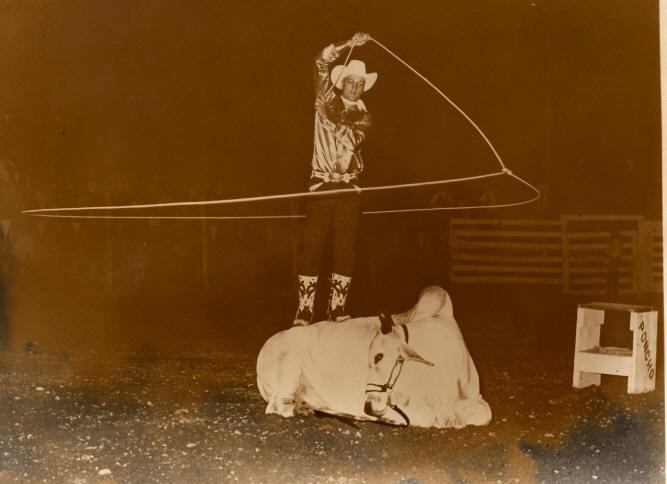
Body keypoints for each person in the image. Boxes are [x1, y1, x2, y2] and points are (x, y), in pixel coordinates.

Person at [293, 32, 375, 326]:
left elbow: (354, 138)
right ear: (343, 83)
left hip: (350, 187)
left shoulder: (364, 114)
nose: (355, 87)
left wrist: (334, 118)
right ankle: (304, 310)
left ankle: (337, 309)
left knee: (345, 249)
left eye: (360, 84)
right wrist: (347, 45)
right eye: (351, 82)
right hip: (322, 184)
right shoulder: (326, 96)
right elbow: (320, 61)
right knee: (313, 244)